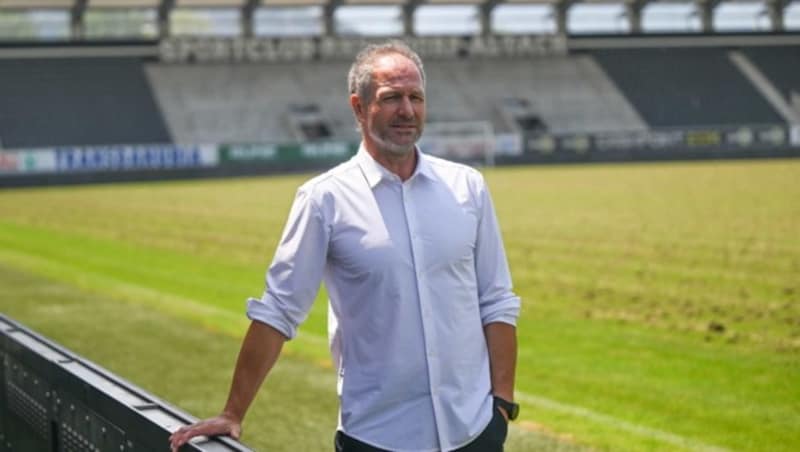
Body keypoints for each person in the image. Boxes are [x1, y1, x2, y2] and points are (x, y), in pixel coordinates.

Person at [169, 40, 520, 452]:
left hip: (474, 431)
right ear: (359, 107)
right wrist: (232, 413)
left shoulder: (468, 187)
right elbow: (279, 311)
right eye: (391, 98)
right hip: (377, 436)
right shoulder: (324, 199)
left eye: (416, 97)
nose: (407, 111)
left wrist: (501, 405)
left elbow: (496, 301)